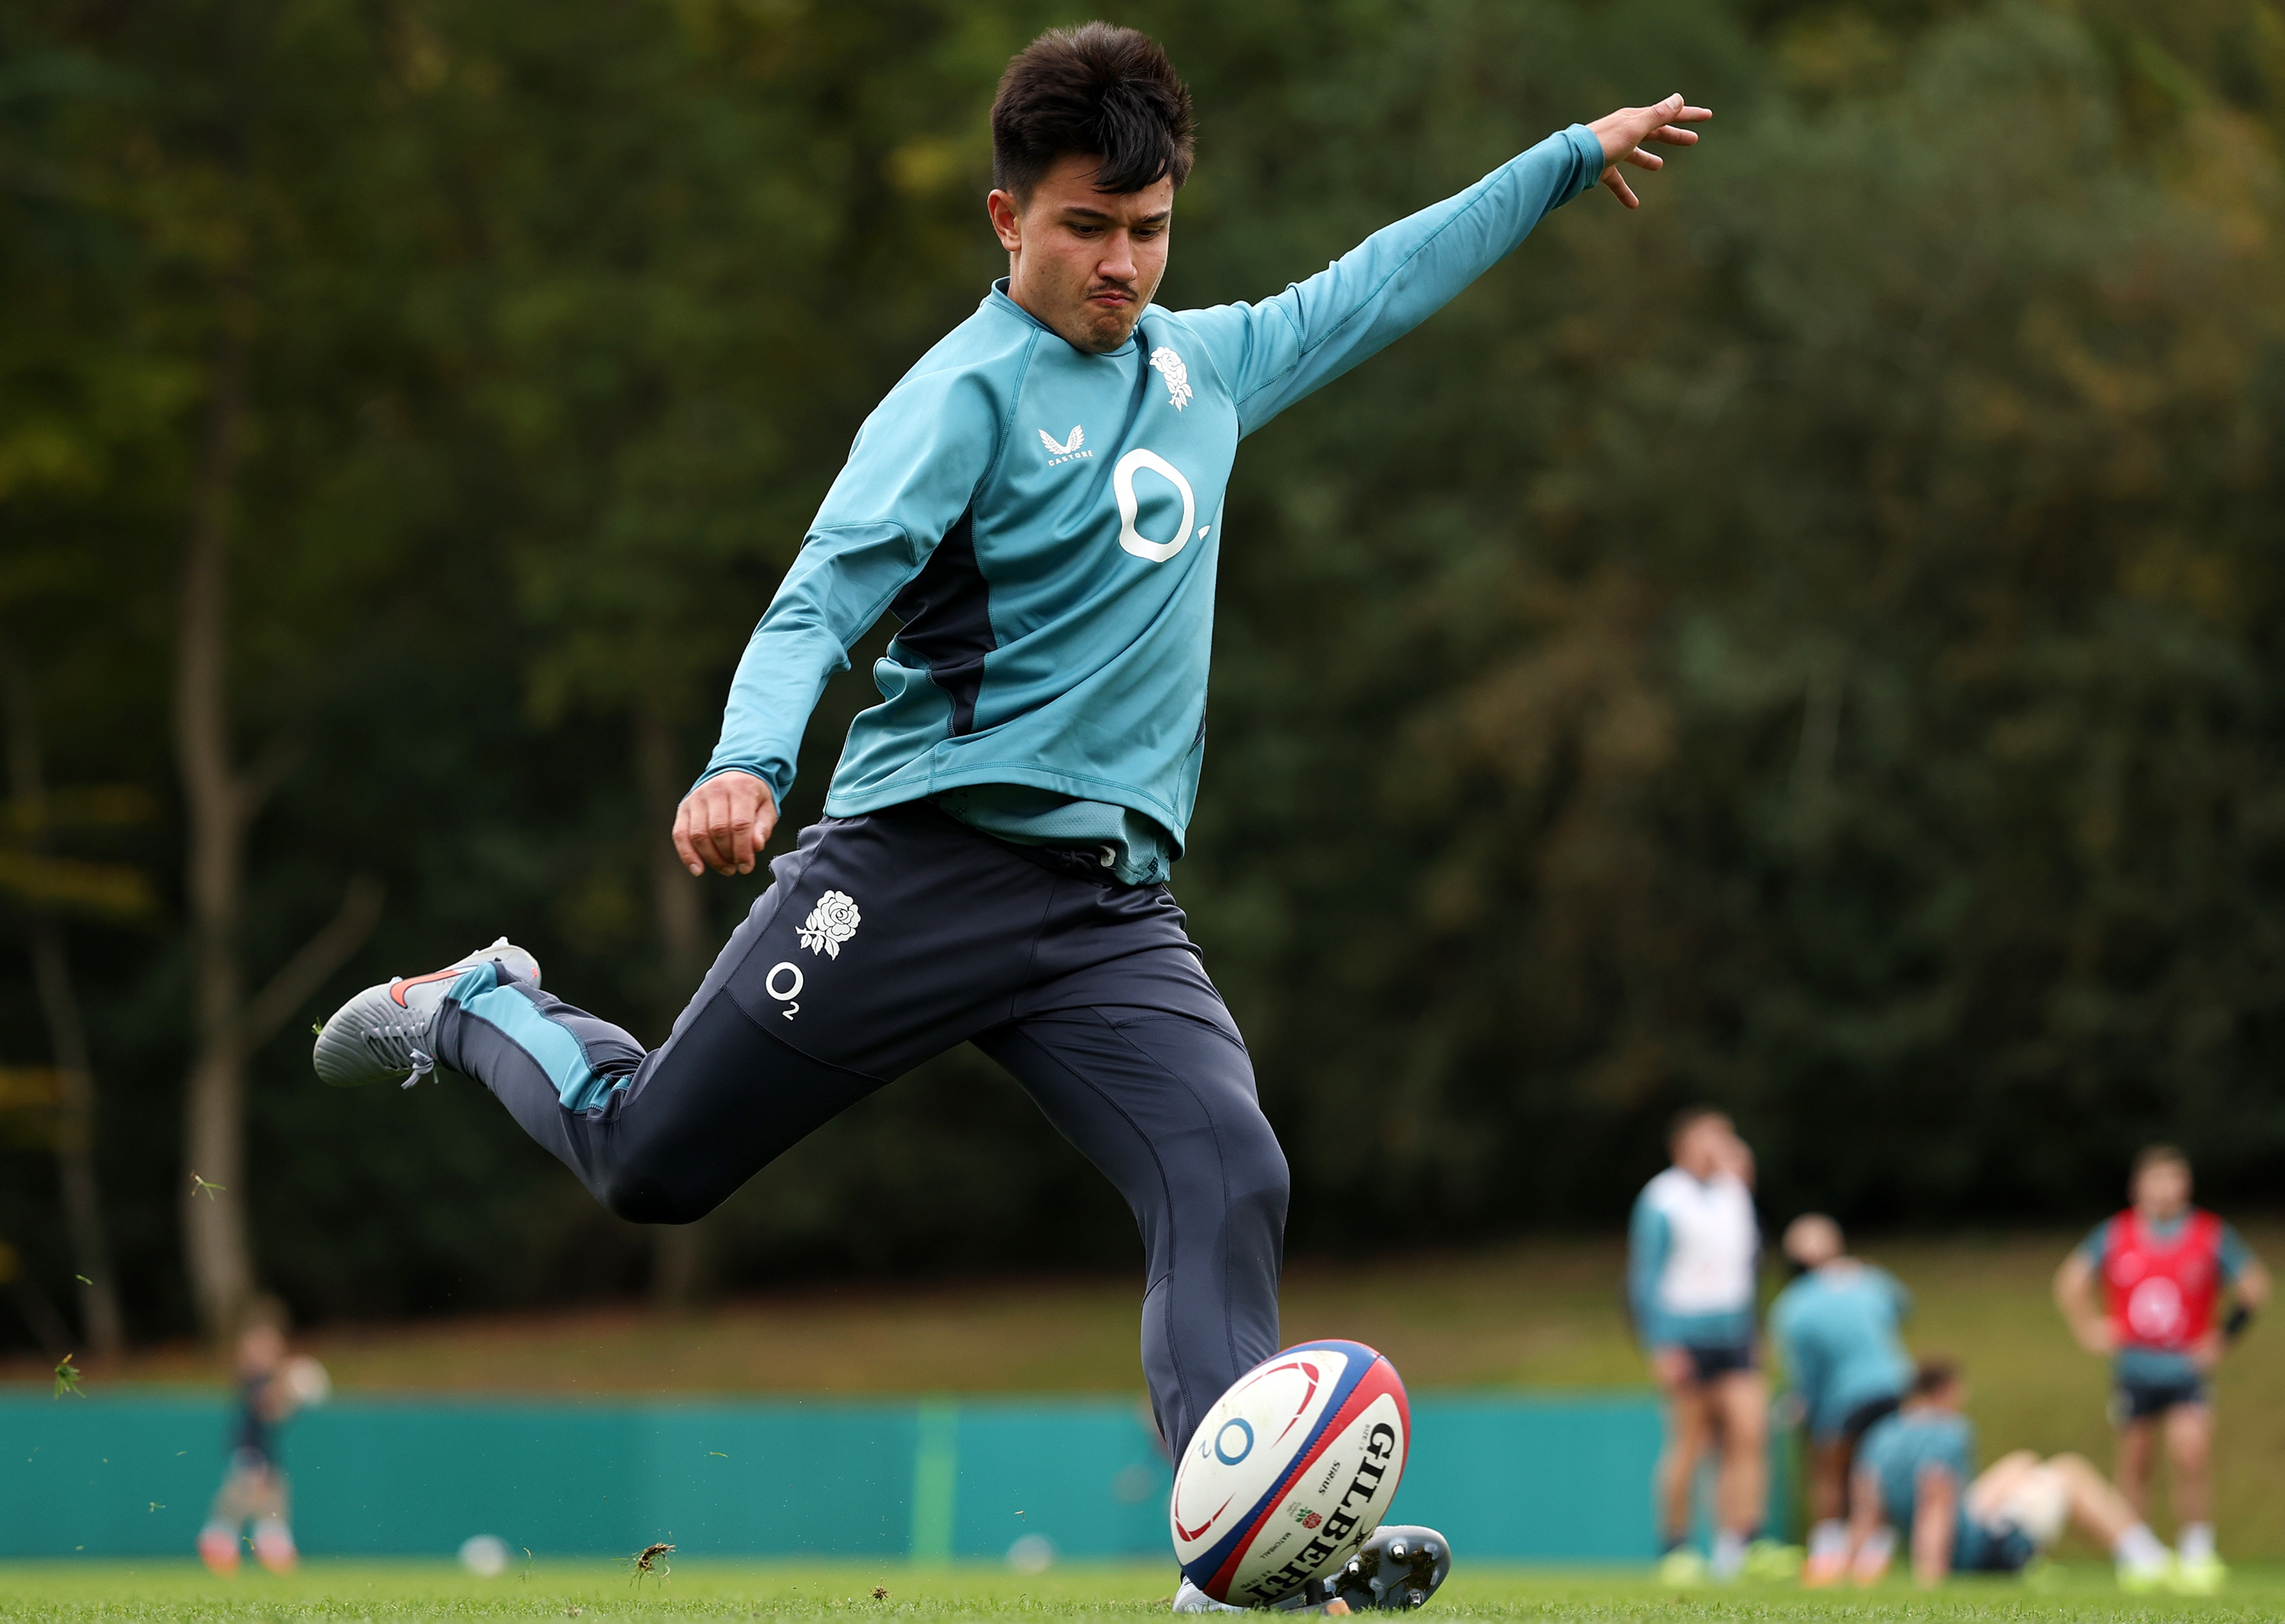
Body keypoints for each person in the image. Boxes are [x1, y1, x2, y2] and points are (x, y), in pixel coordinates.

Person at [307, 21, 1711, 1609]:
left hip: (1106, 915)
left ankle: (1241, 1557)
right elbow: (818, 595)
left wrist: (1563, 159)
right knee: (651, 1168)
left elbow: (1380, 278)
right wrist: (748, 761)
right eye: (1086, 229)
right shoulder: (958, 399)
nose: (1123, 264)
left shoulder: (1211, 367)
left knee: (1226, 1171)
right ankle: (479, 1000)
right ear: (1006, 221)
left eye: (1149, 228)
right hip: (916, 871)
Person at [2052, 1143, 2268, 1593]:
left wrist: (2222, 1338)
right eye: (2157, 1179)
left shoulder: (2209, 1235)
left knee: (2191, 1452)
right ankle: (2137, 1552)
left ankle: (2197, 1551)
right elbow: (2069, 1282)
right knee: (2136, 1461)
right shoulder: (2116, 1235)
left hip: (2185, 1368)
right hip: (2135, 1367)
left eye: (2174, 1179)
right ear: (2138, 1187)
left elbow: (2254, 1287)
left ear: (2185, 1185)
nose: (2166, 1189)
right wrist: (2090, 1327)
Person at [1847, 1357, 2173, 1589]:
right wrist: (1931, 1579)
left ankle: (2143, 1554)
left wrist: (1854, 1571)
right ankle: (2147, 1560)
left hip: (1963, 1535)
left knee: (2022, 1462)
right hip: (1980, 1555)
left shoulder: (1880, 1437)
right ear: (1945, 1391)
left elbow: (1867, 1507)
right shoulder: (1947, 1431)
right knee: (2069, 1471)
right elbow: (1936, 1499)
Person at [1627, 1109, 1784, 1584]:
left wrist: (1755, 1332)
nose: (1720, 1146)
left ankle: (1744, 1543)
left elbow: (1745, 1266)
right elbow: (1645, 1275)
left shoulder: (1734, 1193)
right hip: (1685, 1335)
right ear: (1683, 1145)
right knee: (1689, 1443)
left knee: (1751, 1433)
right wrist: (1661, 1342)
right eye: (1709, 1138)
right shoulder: (1662, 1197)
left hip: (1734, 1335)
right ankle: (1675, 1547)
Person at [1768, 1214, 1912, 1586]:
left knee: (1828, 1472)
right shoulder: (1868, 1279)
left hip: (1843, 1398)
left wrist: (1808, 1410)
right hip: (1897, 1385)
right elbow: (1902, 1306)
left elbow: (1804, 1376)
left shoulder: (1792, 1305)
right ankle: (1872, 1557)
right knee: (1876, 1475)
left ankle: (1827, 1557)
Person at [197, 1300, 326, 1575]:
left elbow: (277, 1414)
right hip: (250, 1450)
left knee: (269, 1499)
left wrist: (294, 1394)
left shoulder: (266, 1378)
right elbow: (267, 1407)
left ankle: (262, 1546)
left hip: (264, 1451)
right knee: (247, 1497)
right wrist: (292, 1386)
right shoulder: (254, 1378)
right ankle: (221, 1542)